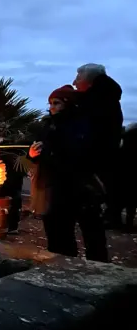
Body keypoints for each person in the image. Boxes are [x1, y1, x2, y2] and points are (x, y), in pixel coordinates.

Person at [29, 85, 108, 262]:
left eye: (56, 103)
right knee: (57, 232)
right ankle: (61, 266)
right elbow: (41, 149)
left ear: (68, 103)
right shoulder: (49, 124)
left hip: (77, 185)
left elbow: (81, 153)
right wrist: (33, 155)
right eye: (50, 103)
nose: (52, 107)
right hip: (52, 184)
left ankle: (96, 272)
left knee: (91, 233)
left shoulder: (82, 125)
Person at [73, 63, 123, 229]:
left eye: (78, 77)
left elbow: (89, 133)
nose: (74, 82)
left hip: (95, 161)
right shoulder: (106, 99)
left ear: (90, 80)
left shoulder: (96, 102)